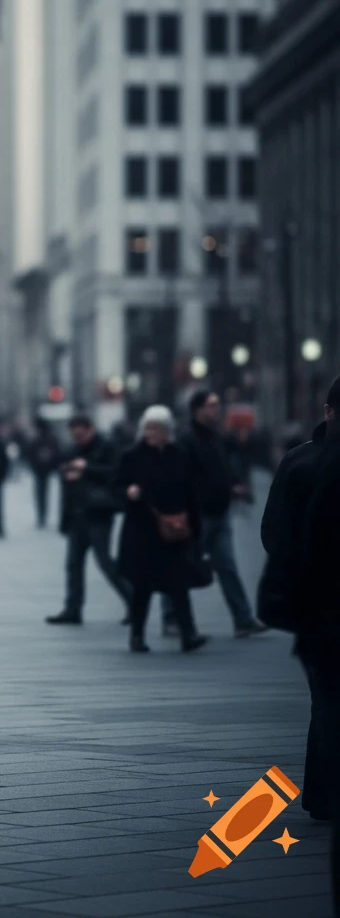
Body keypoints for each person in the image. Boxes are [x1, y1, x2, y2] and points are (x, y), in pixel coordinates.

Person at [268, 375, 340, 913]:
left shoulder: (299, 460)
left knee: (326, 699)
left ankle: (321, 791)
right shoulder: (308, 463)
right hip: (325, 605)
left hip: (316, 607)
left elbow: (274, 532)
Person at [115, 405, 208, 654]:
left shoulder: (180, 454)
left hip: (174, 531)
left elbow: (191, 493)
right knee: (142, 588)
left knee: (178, 585)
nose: (150, 433)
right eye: (147, 427)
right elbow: (116, 485)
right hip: (142, 532)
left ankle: (188, 635)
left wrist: (196, 530)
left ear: (167, 431)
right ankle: (137, 635)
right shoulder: (131, 456)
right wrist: (128, 492)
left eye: (155, 428)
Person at [175, 391, 267, 638]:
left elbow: (225, 467)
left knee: (227, 566)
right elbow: (187, 477)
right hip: (199, 514)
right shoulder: (187, 440)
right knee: (184, 564)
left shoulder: (217, 438)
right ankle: (171, 616)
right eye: (211, 406)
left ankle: (243, 619)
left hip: (220, 511)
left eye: (217, 405)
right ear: (197, 409)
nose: (216, 410)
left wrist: (234, 485)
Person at [47, 414, 132, 625]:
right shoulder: (71, 450)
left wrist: (85, 469)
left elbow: (116, 474)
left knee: (105, 562)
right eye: (74, 434)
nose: (78, 437)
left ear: (90, 429)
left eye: (81, 433)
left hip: (99, 514)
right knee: (73, 565)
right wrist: (64, 519)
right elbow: (66, 485)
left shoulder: (106, 447)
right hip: (77, 515)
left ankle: (134, 601)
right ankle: (72, 609)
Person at [26, 420, 61, 528]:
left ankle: (41, 516)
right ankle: (43, 515)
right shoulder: (51, 439)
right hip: (45, 469)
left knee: (40, 493)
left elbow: (29, 453)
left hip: (39, 469)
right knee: (44, 492)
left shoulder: (36, 439)